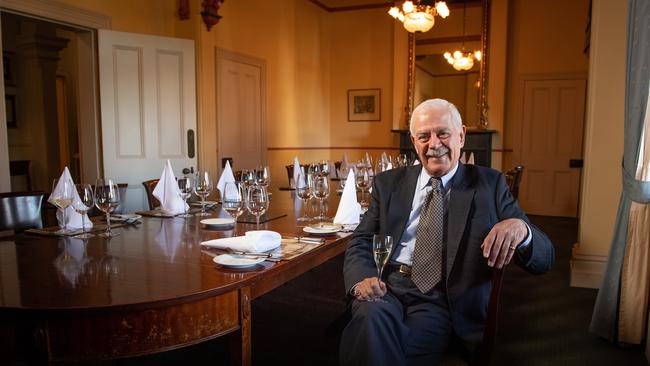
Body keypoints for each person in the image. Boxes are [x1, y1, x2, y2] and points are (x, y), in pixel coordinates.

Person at [340, 98, 554, 366]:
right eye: (423, 136)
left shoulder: (489, 185)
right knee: (369, 318)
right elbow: (361, 239)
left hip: (440, 300)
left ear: (461, 136)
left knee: (385, 348)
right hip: (386, 286)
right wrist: (362, 279)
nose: (434, 144)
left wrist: (521, 229)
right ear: (413, 141)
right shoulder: (389, 183)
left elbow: (546, 258)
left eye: (443, 133)